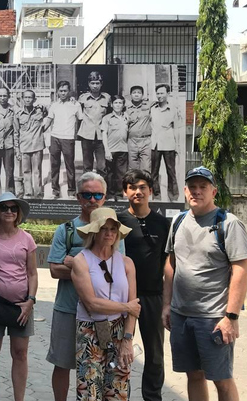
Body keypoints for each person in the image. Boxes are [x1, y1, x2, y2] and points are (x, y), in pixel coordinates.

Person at [162, 167, 247, 401]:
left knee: (221, 379)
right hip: (181, 316)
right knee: (193, 374)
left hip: (213, 318)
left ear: (214, 192)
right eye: (192, 187)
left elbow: (241, 271)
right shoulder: (178, 221)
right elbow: (171, 264)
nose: (197, 191)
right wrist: (166, 305)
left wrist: (231, 317)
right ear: (185, 191)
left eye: (203, 187)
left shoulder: (229, 224)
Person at [47, 172, 125, 401]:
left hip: (103, 313)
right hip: (68, 309)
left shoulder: (115, 231)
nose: (92, 199)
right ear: (78, 197)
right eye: (87, 194)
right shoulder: (67, 230)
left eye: (97, 194)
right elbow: (53, 270)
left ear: (104, 197)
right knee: (62, 363)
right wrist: (90, 270)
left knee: (102, 366)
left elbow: (117, 271)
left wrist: (75, 265)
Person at [72, 208, 140, 401]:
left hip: (119, 330)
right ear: (94, 231)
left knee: (118, 390)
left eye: (113, 229)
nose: (109, 233)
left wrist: (127, 339)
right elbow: (92, 303)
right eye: (104, 229)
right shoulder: (81, 261)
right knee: (89, 390)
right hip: (90, 329)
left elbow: (134, 307)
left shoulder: (127, 263)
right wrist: (126, 307)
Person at [117, 169, 170, 401]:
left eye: (142, 187)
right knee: (118, 350)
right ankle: (117, 394)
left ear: (150, 191)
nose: (137, 192)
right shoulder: (116, 221)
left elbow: (168, 262)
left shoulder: (162, 223)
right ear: (125, 192)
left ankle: (152, 397)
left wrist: (169, 300)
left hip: (153, 296)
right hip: (121, 298)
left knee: (155, 355)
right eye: (132, 187)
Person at [0, 192, 37, 401]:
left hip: (22, 305)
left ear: (18, 212)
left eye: (13, 208)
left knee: (20, 352)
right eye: (4, 208)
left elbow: (32, 273)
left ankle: (19, 398)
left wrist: (30, 300)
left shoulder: (27, 239)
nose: (9, 212)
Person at [44, 80, 83, 199]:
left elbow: (81, 119)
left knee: (69, 165)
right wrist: (41, 130)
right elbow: (49, 120)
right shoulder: (54, 105)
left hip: (68, 138)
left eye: (65, 91)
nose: (63, 93)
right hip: (55, 137)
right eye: (61, 91)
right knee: (54, 164)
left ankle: (71, 191)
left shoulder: (75, 105)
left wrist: (77, 135)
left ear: (69, 91)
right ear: (57, 92)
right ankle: (55, 190)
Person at [150, 84, 182, 201]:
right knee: (154, 173)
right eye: (158, 93)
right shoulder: (152, 109)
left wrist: (177, 146)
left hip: (169, 144)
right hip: (155, 145)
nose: (160, 96)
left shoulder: (173, 110)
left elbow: (177, 129)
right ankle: (156, 196)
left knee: (171, 172)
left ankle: (173, 197)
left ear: (168, 94)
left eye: (162, 93)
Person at [14, 90, 48, 198]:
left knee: (37, 171)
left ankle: (38, 194)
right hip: (24, 147)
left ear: (34, 99)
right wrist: (17, 150)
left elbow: (50, 112)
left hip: (37, 146)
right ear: (22, 99)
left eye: (30, 98)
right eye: (26, 97)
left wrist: (43, 106)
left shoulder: (40, 111)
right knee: (26, 171)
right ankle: (28, 193)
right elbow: (16, 133)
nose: (28, 100)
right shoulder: (18, 114)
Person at [77, 72, 111, 177]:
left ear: (101, 84)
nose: (95, 86)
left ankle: (102, 191)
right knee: (87, 166)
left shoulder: (107, 98)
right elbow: (77, 114)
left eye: (97, 83)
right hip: (86, 135)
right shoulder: (82, 98)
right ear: (88, 84)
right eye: (92, 83)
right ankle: (87, 190)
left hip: (101, 136)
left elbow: (111, 113)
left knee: (102, 166)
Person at [101, 95, 129, 201]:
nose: (118, 105)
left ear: (123, 105)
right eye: (116, 103)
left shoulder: (126, 117)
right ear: (111, 105)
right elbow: (104, 134)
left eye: (120, 103)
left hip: (123, 149)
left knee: (121, 174)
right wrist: (106, 150)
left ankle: (119, 194)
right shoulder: (107, 118)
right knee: (110, 174)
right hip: (111, 150)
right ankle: (111, 195)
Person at [126, 86, 152, 173]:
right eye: (134, 93)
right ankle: (134, 186)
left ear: (142, 95)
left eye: (139, 93)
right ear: (130, 95)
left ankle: (145, 186)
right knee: (132, 168)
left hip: (145, 140)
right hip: (132, 140)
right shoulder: (126, 108)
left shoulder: (149, 106)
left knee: (146, 168)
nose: (136, 95)